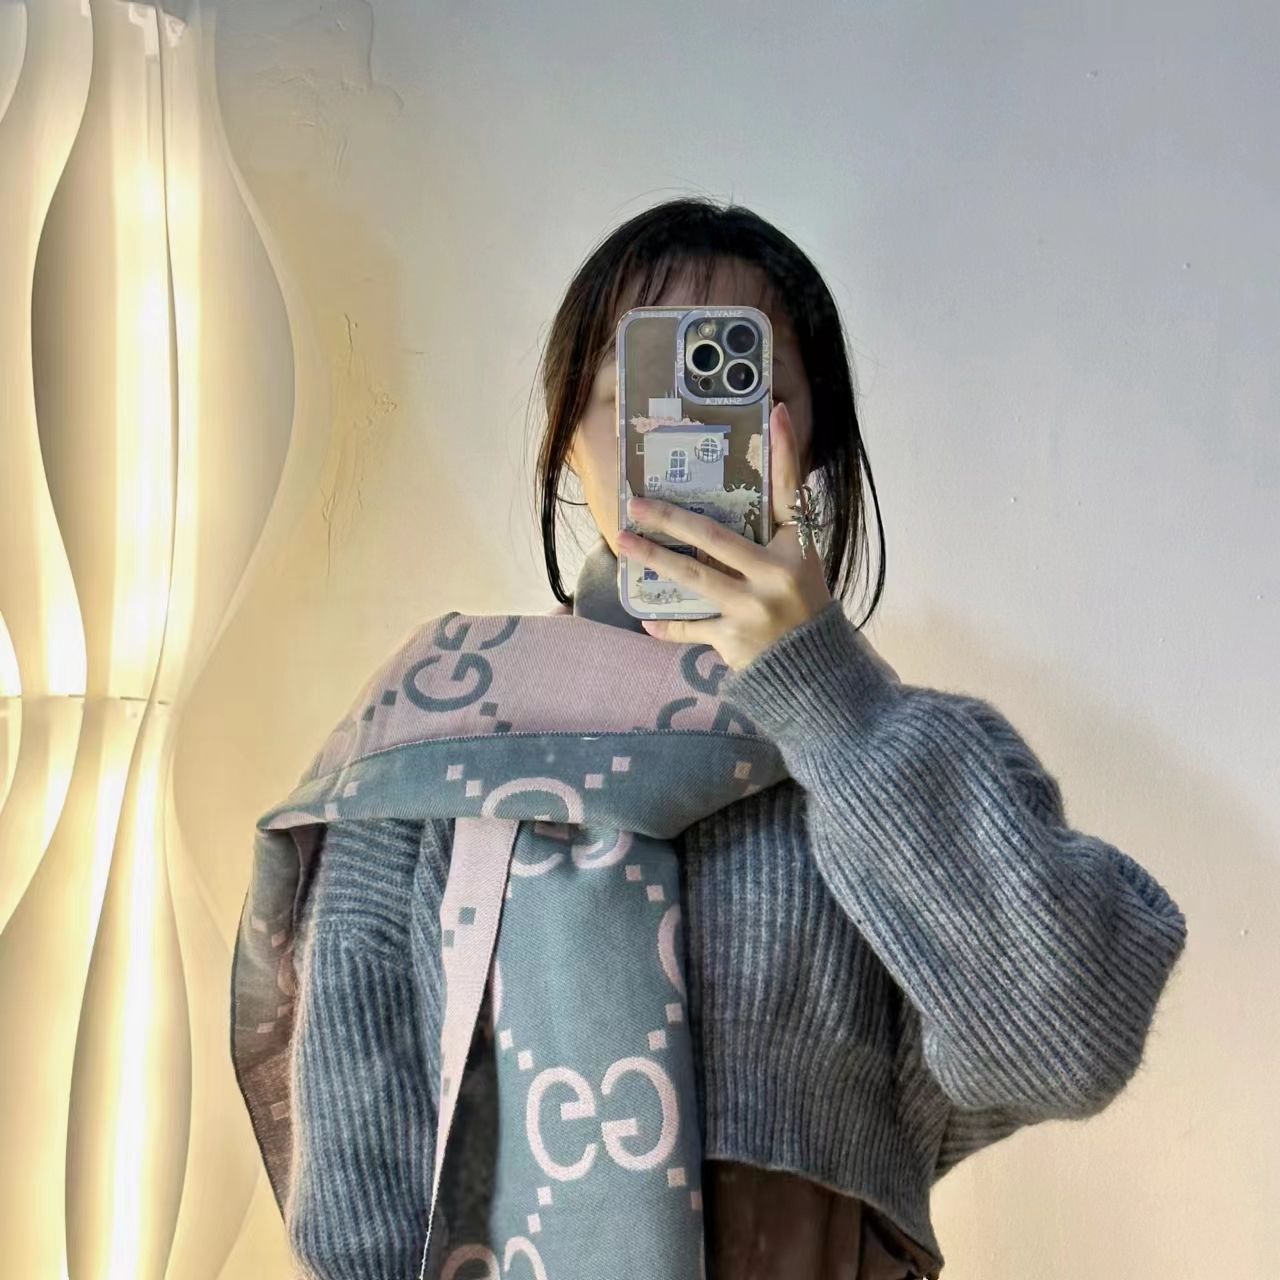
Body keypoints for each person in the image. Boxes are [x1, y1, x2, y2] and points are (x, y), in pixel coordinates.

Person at [276, 197, 1188, 1278]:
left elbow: (1064, 1042)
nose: (683, 435)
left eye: (737, 389)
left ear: (810, 442)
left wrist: (822, 695)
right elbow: (361, 1203)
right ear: (570, 445)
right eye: (632, 395)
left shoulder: (902, 754)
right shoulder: (437, 750)